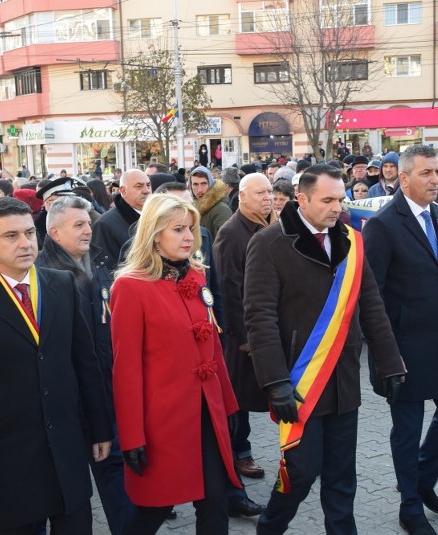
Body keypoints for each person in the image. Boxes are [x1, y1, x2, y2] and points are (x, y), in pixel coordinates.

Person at [0, 197, 113, 533]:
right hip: (4, 466)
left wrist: (100, 428)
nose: (26, 243)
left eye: (29, 233)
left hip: (65, 455)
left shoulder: (62, 285)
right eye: (11, 236)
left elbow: (84, 363)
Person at [244, 164, 407, 534]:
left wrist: (390, 363)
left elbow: (371, 305)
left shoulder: (352, 240)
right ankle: (270, 527)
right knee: (300, 472)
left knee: (341, 477)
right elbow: (259, 317)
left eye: (341, 199)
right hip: (299, 383)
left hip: (343, 379)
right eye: (328, 200)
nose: (337, 207)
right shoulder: (269, 243)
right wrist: (275, 381)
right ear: (302, 200)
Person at [362, 144, 438, 535]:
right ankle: (410, 507)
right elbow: (371, 295)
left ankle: (421, 480)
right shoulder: (383, 225)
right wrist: (385, 354)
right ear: (404, 177)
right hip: (403, 347)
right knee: (408, 429)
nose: (435, 180)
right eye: (426, 173)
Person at [111, 194, 241, 534]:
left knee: (215, 502)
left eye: (191, 229)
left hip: (206, 412)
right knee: (154, 508)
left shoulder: (196, 275)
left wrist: (228, 404)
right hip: (162, 421)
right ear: (155, 234)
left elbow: (212, 345)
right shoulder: (130, 286)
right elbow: (126, 370)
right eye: (178, 229)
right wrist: (131, 436)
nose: (189, 237)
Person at [35, 196, 136, 534]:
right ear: (54, 232)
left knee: (114, 466)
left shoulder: (100, 260)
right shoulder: (43, 274)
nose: (88, 230)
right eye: (78, 225)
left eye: (88, 223)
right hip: (70, 397)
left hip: (107, 386)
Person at [213, 173, 274, 482]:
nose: (267, 197)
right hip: (244, 335)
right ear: (242, 196)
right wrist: (242, 337)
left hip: (270, 327)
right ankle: (240, 452)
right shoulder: (231, 233)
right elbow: (228, 290)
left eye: (269, 191)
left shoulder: (272, 226)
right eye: (260, 193)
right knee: (239, 400)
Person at [91, 170, 151, 268]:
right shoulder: (105, 224)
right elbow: (105, 269)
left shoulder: (159, 216)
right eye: (139, 186)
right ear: (123, 190)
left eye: (148, 185)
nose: (146, 190)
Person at [189, 166, 233, 241]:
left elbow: (225, 243)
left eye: (203, 184)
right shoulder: (193, 206)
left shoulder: (221, 210)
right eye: (195, 184)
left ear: (211, 184)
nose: (199, 190)